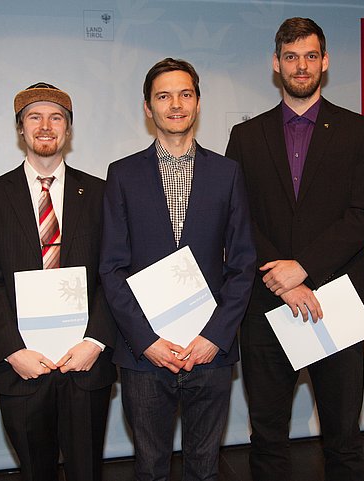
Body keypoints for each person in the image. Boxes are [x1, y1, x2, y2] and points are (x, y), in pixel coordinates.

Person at [225, 17, 364, 481]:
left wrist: (302, 268)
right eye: (291, 57)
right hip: (265, 305)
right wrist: (282, 278)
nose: (301, 66)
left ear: (325, 62)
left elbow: (363, 214)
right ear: (276, 64)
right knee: (268, 438)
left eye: (310, 56)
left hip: (335, 300)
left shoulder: (358, 131)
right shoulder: (246, 136)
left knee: (343, 437)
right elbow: (238, 218)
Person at [99, 58, 255, 481]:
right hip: (145, 355)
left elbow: (243, 265)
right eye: (163, 96)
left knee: (206, 468)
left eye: (185, 94)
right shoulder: (122, 175)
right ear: (147, 108)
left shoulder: (227, 173)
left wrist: (215, 338)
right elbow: (111, 268)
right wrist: (145, 340)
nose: (175, 104)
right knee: (150, 468)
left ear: (198, 103)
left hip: (209, 351)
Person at [0, 83, 117, 481]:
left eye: (56, 117)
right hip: (22, 366)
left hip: (84, 362)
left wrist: (96, 341)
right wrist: (12, 350)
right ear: (20, 128)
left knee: (86, 470)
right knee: (35, 471)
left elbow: (114, 275)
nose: (46, 126)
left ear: (68, 129)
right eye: (34, 117)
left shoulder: (101, 194)